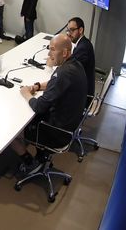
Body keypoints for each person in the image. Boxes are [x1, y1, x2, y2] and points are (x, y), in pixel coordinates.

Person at [10, 34, 87, 174]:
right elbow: (56, 84)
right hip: (69, 125)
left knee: (11, 130)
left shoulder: (63, 72)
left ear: (64, 52)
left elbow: (39, 106)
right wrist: (38, 86)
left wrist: (26, 93)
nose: (49, 54)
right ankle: (41, 156)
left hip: (57, 134)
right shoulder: (75, 65)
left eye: (52, 50)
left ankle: (30, 162)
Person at [66, 17, 96, 100]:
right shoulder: (83, 42)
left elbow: (69, 71)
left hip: (82, 96)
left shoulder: (83, 48)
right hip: (83, 88)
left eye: (72, 30)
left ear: (80, 30)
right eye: (68, 30)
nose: (68, 33)